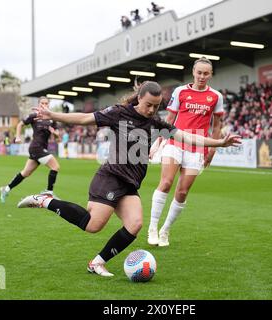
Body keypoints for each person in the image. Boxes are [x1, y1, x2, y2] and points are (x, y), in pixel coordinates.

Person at [16, 81, 241, 277]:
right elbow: (85, 118)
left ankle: (97, 263)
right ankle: (44, 200)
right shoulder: (119, 112)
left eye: (156, 106)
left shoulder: (156, 124)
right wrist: (53, 115)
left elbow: (187, 137)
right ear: (139, 98)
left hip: (130, 184)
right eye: (148, 105)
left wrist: (219, 143)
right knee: (93, 226)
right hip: (111, 177)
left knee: (135, 224)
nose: (152, 110)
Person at [147, 57, 225, 247]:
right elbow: (169, 119)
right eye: (199, 72)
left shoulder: (216, 96)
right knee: (165, 182)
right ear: (193, 72)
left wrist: (212, 150)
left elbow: (217, 126)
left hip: (197, 148)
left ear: (210, 74)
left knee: (182, 192)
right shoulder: (180, 91)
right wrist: (158, 142)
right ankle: (152, 228)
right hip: (175, 141)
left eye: (206, 73)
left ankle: (165, 230)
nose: (202, 76)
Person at [0, 96, 61, 203]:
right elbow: (20, 124)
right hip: (36, 147)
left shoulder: (52, 119)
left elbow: (57, 137)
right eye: (42, 103)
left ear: (49, 105)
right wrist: (18, 136)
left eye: (46, 103)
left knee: (25, 173)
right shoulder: (34, 116)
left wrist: (55, 134)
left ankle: (6, 189)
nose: (44, 105)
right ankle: (49, 192)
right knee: (55, 166)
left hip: (40, 149)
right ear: (39, 104)